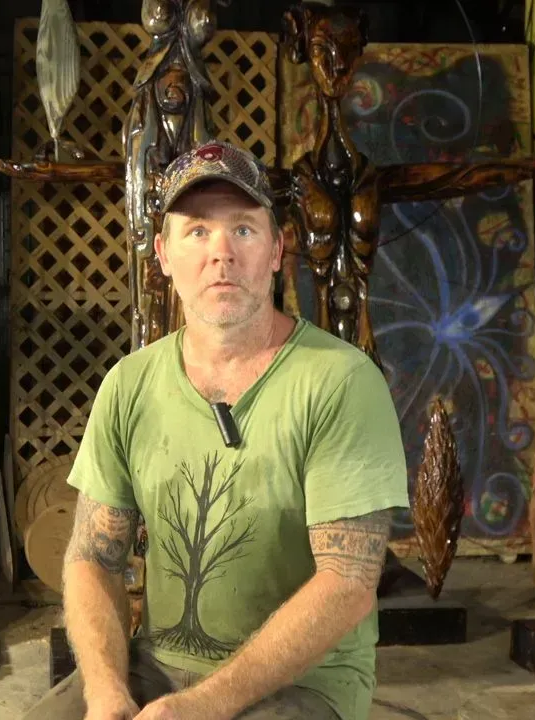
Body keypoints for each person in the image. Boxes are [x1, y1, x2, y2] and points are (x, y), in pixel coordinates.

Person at [21, 141, 409, 720]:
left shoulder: (341, 382)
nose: (221, 253)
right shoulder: (130, 384)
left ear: (277, 250)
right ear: (163, 254)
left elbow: (348, 583)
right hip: (155, 666)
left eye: (245, 231)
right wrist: (106, 690)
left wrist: (205, 704)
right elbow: (92, 559)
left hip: (302, 682)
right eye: (197, 231)